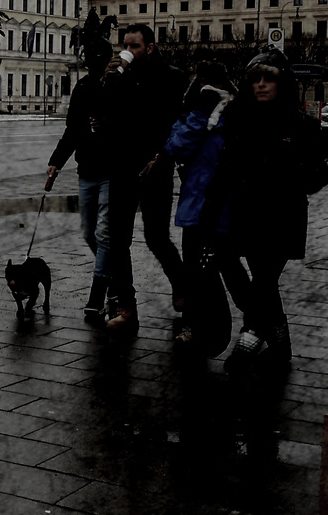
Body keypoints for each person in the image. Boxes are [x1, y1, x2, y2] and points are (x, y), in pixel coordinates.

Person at [212, 46, 328, 374]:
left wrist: (289, 175)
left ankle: (251, 333)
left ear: (283, 84)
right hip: (246, 213)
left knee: (265, 278)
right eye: (255, 79)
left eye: (269, 79)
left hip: (282, 216)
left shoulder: (301, 125)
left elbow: (320, 172)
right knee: (243, 269)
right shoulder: (238, 120)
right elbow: (224, 167)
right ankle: (280, 343)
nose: (261, 85)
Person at [98, 23, 187, 333]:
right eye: (125, 45)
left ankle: (182, 285)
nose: (128, 51)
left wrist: (161, 157)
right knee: (117, 239)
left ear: (149, 47)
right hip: (123, 166)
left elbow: (168, 119)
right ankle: (126, 306)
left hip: (155, 166)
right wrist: (110, 80)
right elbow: (109, 112)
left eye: (134, 46)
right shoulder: (119, 77)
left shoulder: (171, 77)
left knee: (156, 237)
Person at [164, 62, 246, 352]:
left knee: (227, 269)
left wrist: (219, 113)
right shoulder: (192, 113)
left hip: (223, 206)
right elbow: (176, 147)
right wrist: (201, 114)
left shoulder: (236, 115)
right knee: (196, 272)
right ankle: (200, 328)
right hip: (195, 205)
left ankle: (258, 322)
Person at [45, 38, 114, 321]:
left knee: (104, 234)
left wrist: (110, 124)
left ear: (108, 59)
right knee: (89, 233)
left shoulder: (116, 87)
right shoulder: (82, 87)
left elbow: (133, 124)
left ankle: (97, 295)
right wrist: (55, 162)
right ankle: (113, 273)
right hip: (86, 170)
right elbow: (72, 129)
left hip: (112, 170)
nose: (92, 60)